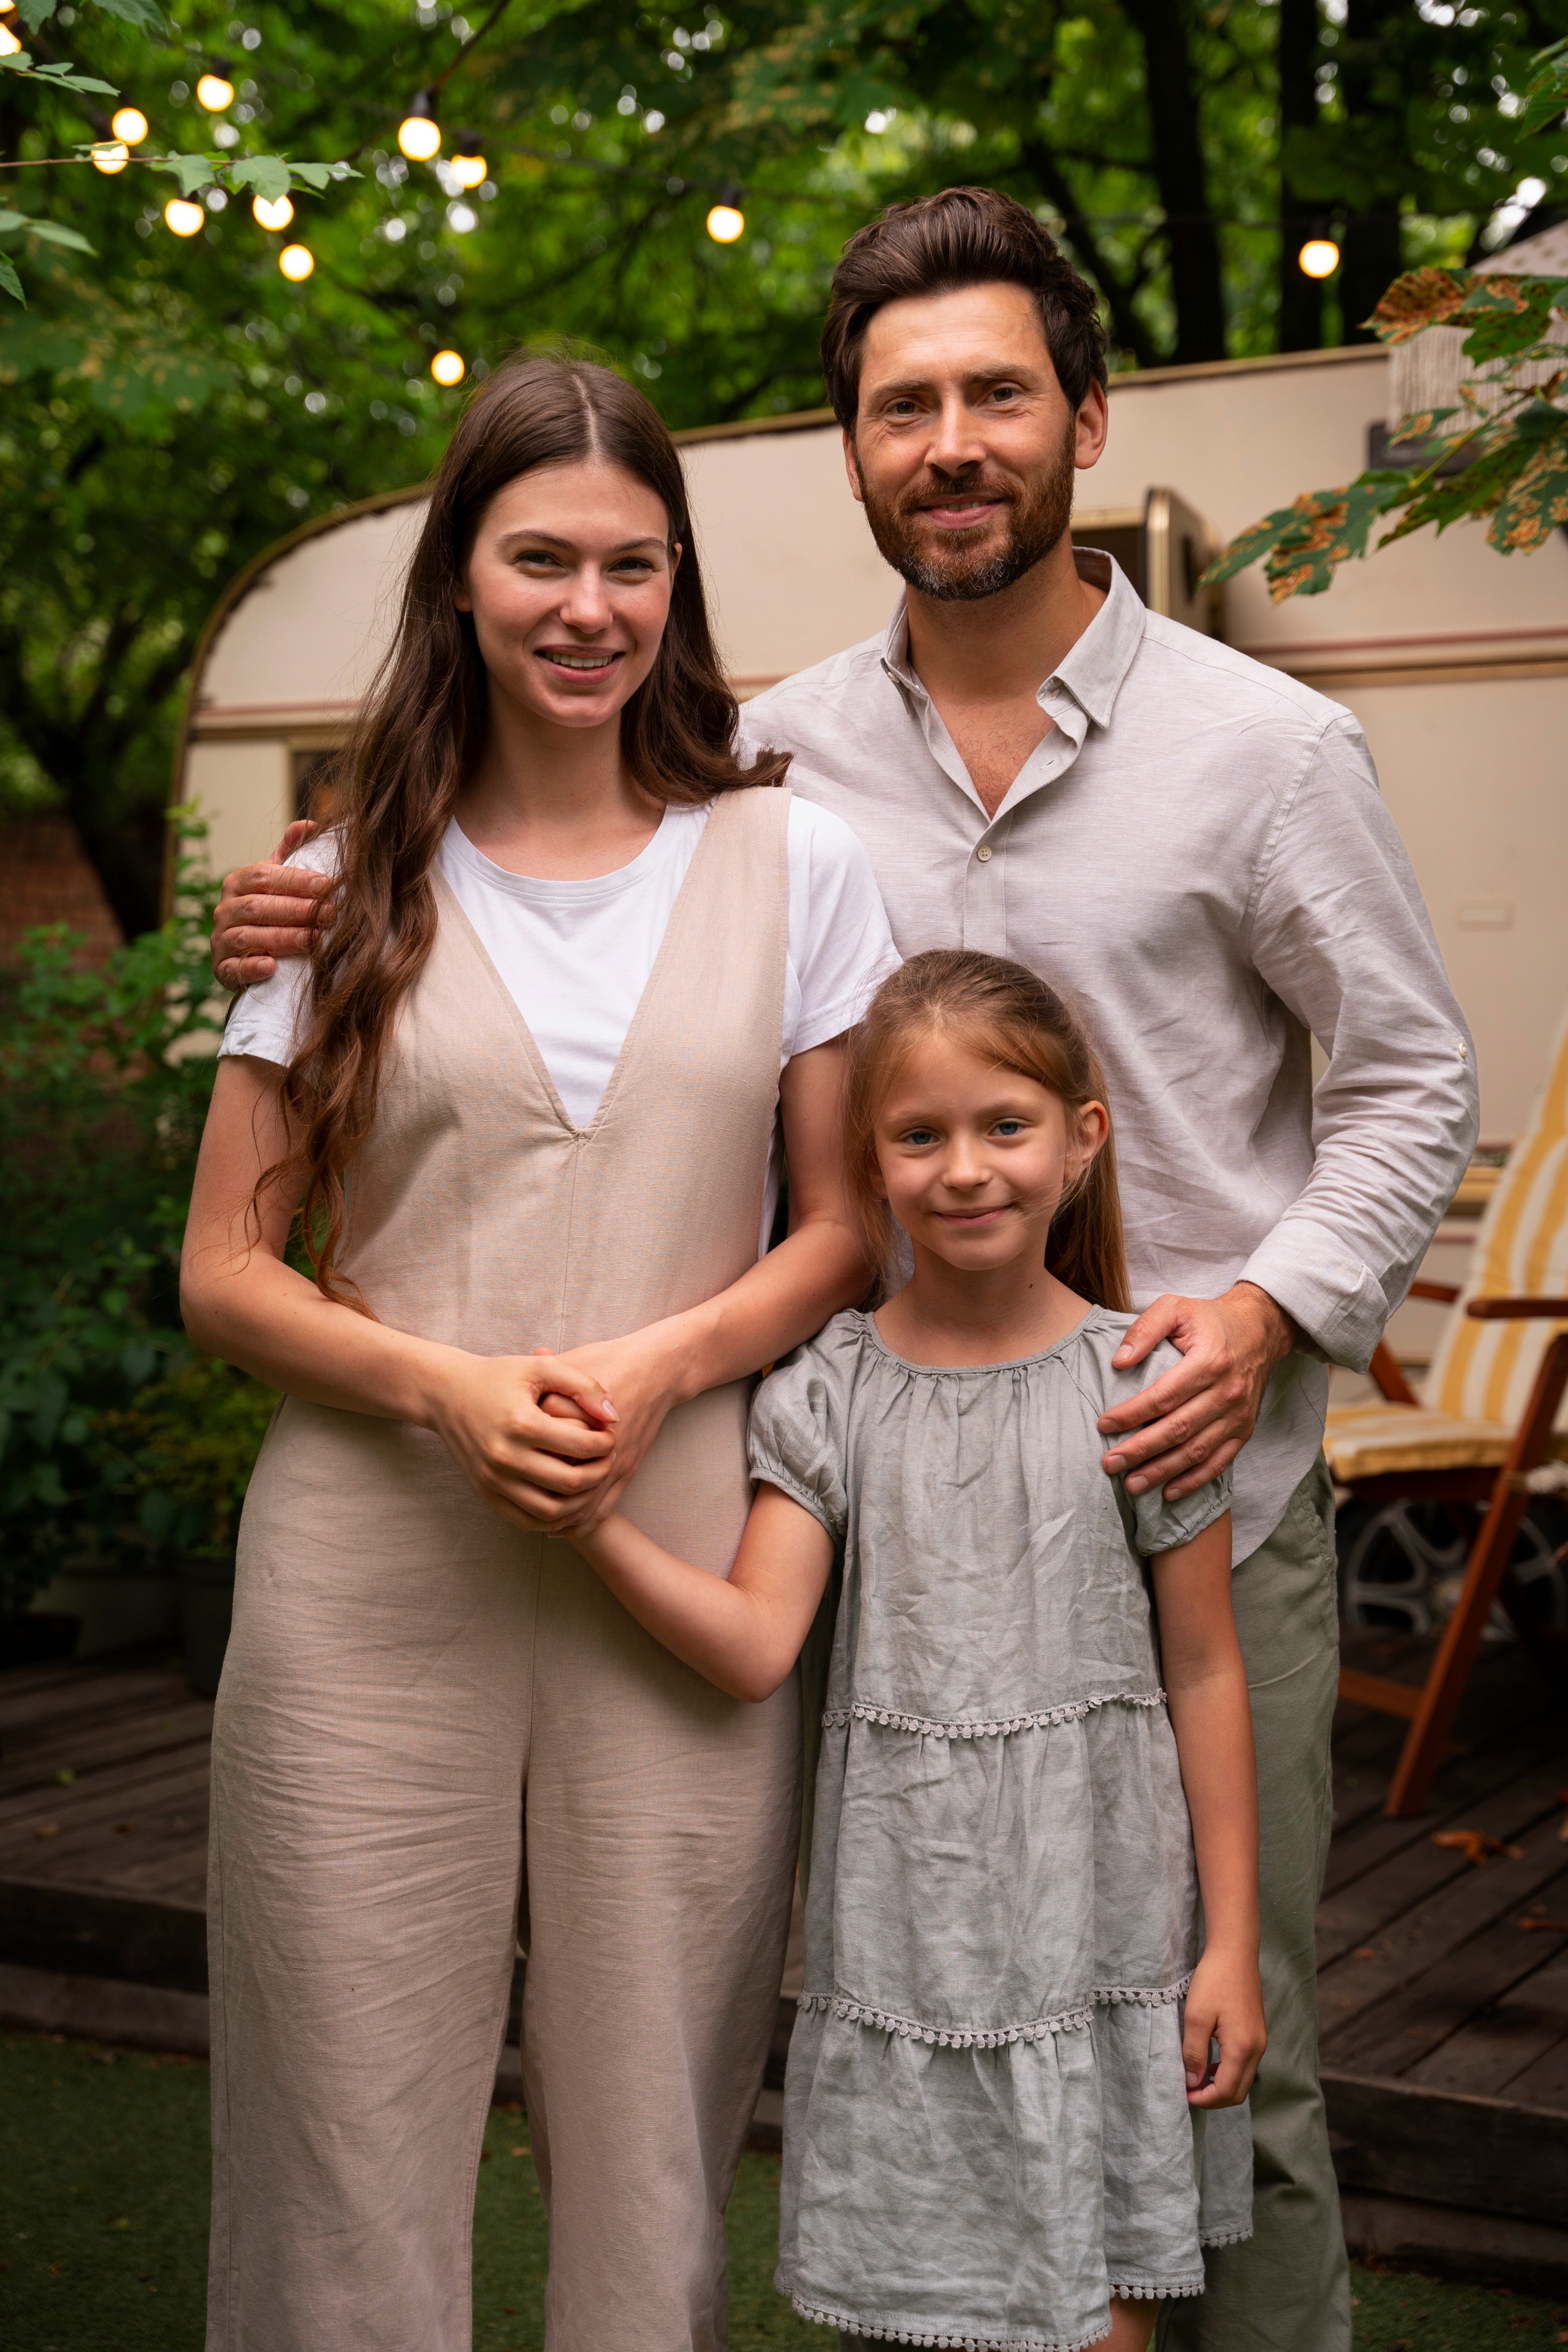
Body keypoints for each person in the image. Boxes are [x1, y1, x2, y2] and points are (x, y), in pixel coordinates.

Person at [207, 191, 1481, 2352]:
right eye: (904, 408)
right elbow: (552, 937)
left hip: (1173, 1482)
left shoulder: (1266, 751)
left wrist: (1263, 1311)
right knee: (909, 2016)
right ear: (853, 453)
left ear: (1084, 418)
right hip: (863, 1507)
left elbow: (1411, 1076)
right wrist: (291, 917)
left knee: (1222, 2072)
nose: (952, 442)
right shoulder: (771, 763)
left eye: (998, 394)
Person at [180, 351, 900, 2352]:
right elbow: (226, 1267)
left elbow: (843, 1227)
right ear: (457, 579)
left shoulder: (796, 860)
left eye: (631, 564)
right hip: (363, 1572)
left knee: (655, 2142)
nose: (589, 606)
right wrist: (444, 1384)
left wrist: (656, 1371)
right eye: (540, 560)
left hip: (674, 1558)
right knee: (339, 2137)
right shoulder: (332, 887)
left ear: (676, 585)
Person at [564, 950, 1267, 2352]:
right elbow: (755, 1640)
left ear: (1081, 1136)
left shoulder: (1146, 1384)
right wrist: (590, 1526)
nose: (965, 1169)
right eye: (918, 1134)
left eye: (1004, 1124)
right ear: (867, 1163)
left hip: (1101, 1934)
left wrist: (1233, 1944)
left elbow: (1204, 1669)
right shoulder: (828, 1388)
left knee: (1102, 2328)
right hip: (907, 1941)